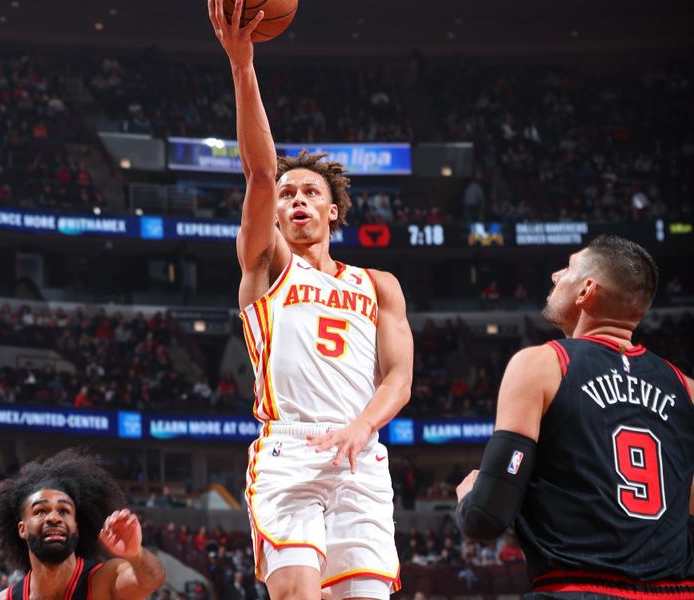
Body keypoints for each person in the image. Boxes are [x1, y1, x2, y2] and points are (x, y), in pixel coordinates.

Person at [208, 1, 413, 598]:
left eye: (310, 194)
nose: (295, 200)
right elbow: (259, 172)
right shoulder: (266, 265)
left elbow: (398, 379)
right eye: (288, 194)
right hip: (290, 446)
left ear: (332, 210)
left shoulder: (379, 285)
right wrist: (243, 67)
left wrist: (360, 428)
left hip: (361, 452)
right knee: (298, 592)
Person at [454, 235, 694, 598]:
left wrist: (469, 496)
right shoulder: (686, 388)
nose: (554, 276)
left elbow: (485, 517)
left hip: (577, 587)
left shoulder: (542, 364)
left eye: (566, 268)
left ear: (585, 291)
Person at [0, 448, 165, 599]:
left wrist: (136, 555)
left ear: (76, 527)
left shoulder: (104, 580)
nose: (54, 518)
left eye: (64, 511)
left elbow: (151, 581)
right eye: (41, 511)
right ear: (22, 528)